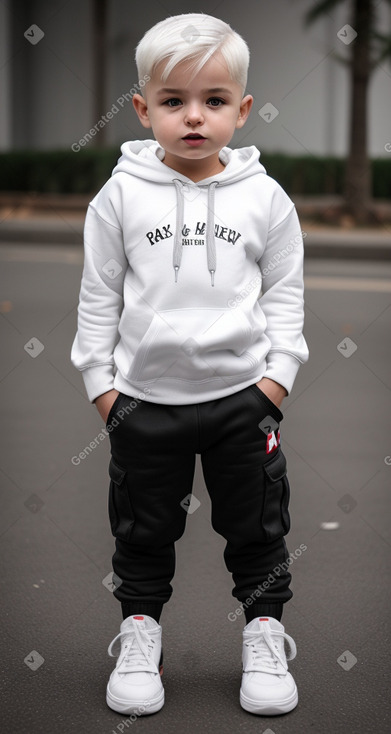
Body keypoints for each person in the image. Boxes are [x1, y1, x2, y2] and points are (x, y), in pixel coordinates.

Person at [71, 12, 309, 718]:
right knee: (141, 531)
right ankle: (140, 635)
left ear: (241, 109)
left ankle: (264, 635)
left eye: (212, 101)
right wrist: (104, 393)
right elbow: (96, 301)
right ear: (142, 110)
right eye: (173, 102)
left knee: (257, 527)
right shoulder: (119, 197)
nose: (193, 117)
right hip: (143, 403)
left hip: (243, 399)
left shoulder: (266, 199)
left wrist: (274, 384)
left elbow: (286, 297)